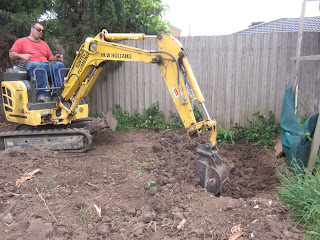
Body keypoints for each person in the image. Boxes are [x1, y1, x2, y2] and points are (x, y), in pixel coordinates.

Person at [9, 22, 65, 102]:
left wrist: (56, 58)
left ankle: (58, 94)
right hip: (31, 64)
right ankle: (41, 95)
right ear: (32, 29)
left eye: (42, 31)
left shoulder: (44, 44)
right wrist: (22, 56)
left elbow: (50, 57)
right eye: (39, 30)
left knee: (60, 65)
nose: (40, 32)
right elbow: (11, 54)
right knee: (37, 66)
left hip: (45, 64)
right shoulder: (21, 41)